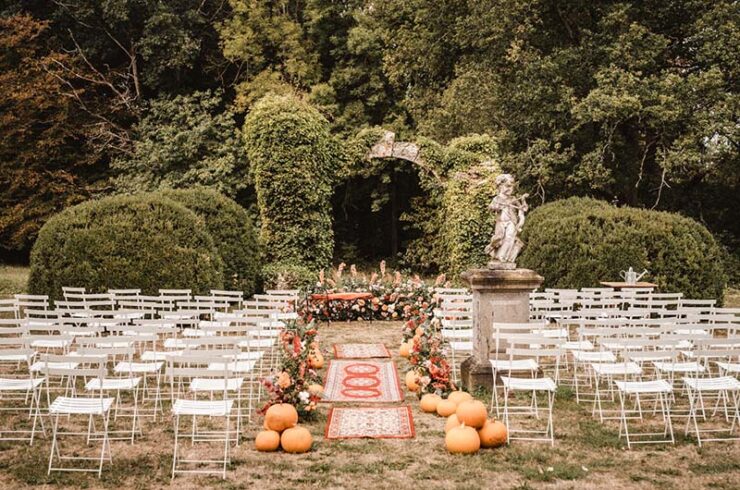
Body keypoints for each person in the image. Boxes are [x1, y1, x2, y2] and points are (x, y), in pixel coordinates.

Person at [484, 174, 529, 264]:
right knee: (499, 238)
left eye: (512, 187)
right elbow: (491, 208)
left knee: (509, 238)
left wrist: (523, 200)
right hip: (501, 222)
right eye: (507, 186)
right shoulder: (497, 199)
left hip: (511, 222)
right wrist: (497, 207)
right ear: (500, 186)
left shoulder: (513, 199)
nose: (510, 189)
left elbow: (524, 208)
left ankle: (502, 257)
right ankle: (491, 247)